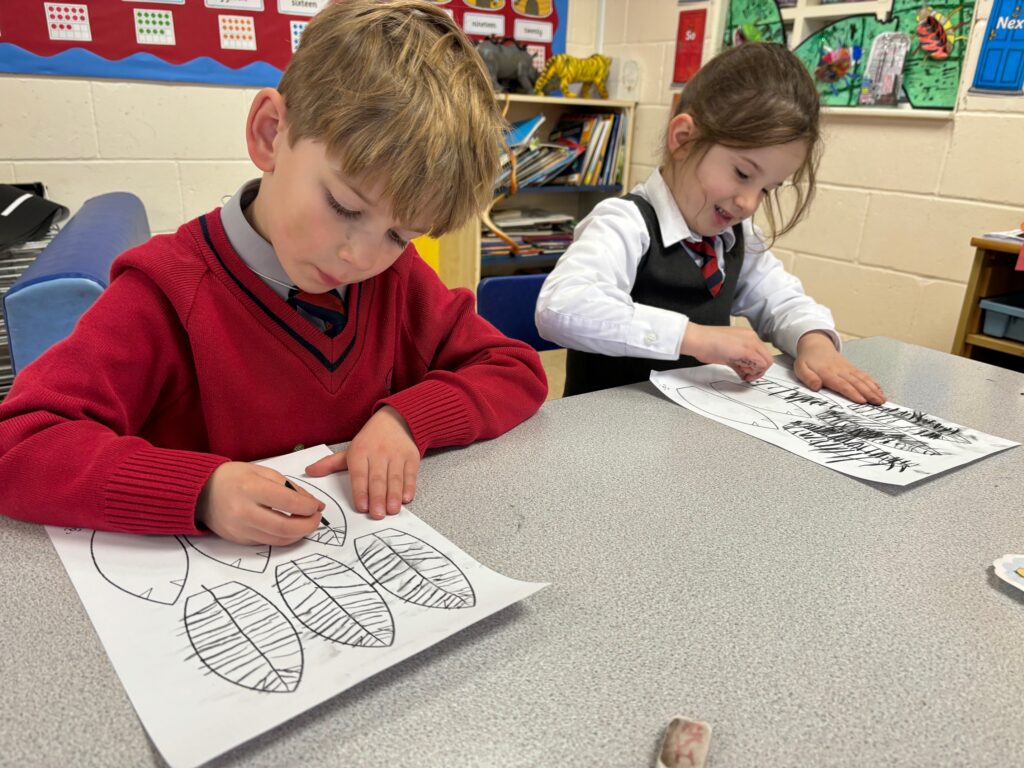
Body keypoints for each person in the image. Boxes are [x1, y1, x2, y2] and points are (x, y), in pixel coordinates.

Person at [0, 0, 547, 544]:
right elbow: (20, 444)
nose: (360, 257)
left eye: (400, 235)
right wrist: (201, 490)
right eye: (344, 206)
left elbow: (515, 368)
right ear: (269, 135)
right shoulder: (165, 291)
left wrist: (408, 419)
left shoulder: (396, 280)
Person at [535, 42, 885, 405]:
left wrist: (814, 342)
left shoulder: (735, 238)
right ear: (683, 140)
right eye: (742, 173)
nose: (749, 203)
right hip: (602, 437)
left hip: (688, 438)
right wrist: (694, 337)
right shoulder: (624, 222)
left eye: (767, 189)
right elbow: (562, 307)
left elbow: (781, 299)